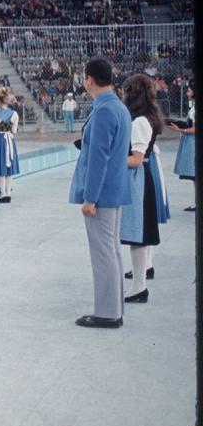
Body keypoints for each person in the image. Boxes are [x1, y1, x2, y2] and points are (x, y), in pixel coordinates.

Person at [69, 58, 132, 329]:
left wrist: (90, 198)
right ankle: (114, 308)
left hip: (102, 194)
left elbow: (99, 158)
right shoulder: (116, 106)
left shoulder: (106, 110)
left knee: (104, 253)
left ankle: (107, 313)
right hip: (114, 188)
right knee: (112, 251)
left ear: (90, 79)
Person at [118, 74, 169, 303]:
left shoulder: (139, 122)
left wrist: (111, 159)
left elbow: (136, 159)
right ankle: (139, 282)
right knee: (140, 235)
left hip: (138, 178)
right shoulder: (147, 117)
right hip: (142, 177)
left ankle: (139, 287)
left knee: (137, 235)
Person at [169, 85, 195, 212]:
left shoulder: (195, 109)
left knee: (195, 172)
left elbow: (195, 129)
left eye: (189, 90)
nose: (187, 92)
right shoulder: (193, 107)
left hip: (193, 142)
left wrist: (180, 129)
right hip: (191, 140)